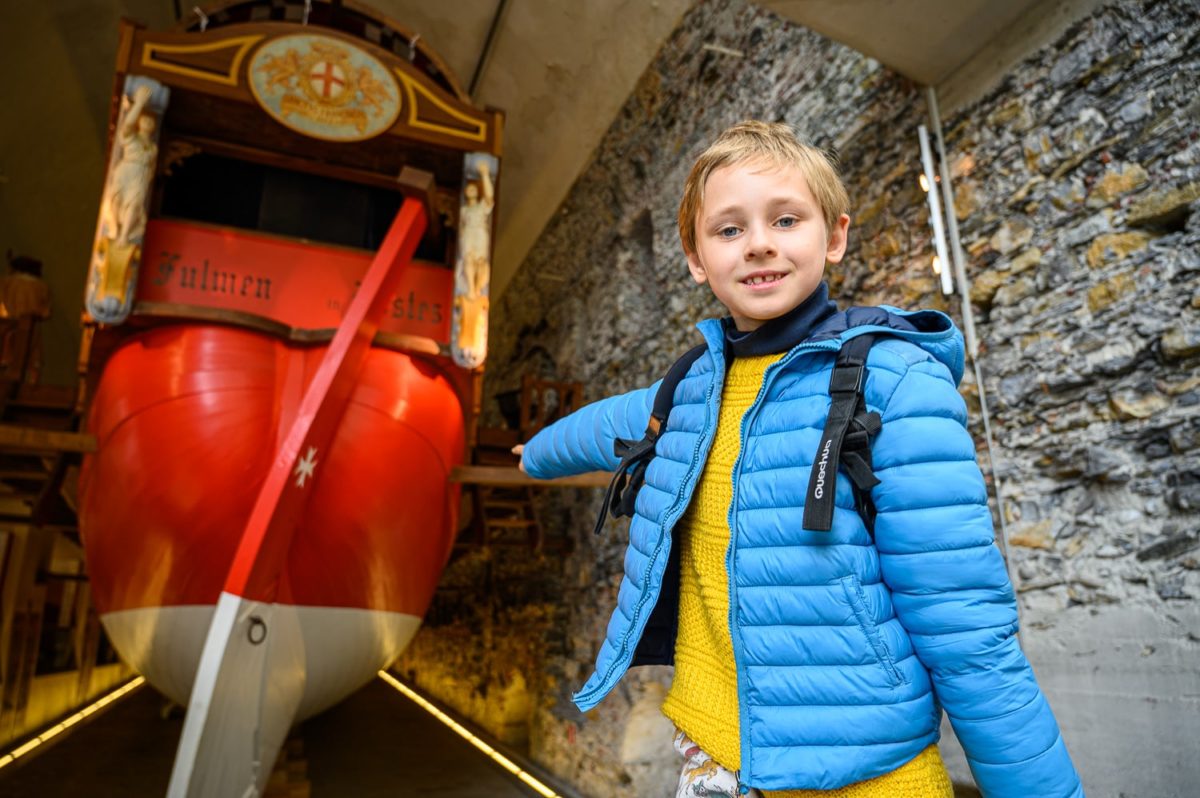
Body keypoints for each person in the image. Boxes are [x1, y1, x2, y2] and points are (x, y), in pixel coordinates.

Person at [514, 121, 1083, 797]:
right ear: (697, 259)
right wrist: (532, 457)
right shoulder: (691, 390)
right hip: (710, 756)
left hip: (863, 771)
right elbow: (601, 427)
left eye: (785, 219)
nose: (758, 243)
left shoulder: (894, 383)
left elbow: (967, 630)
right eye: (728, 230)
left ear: (833, 236)